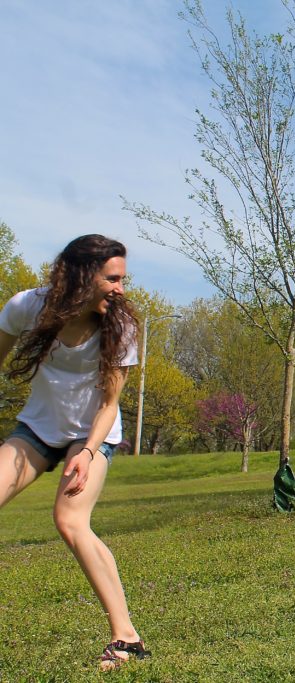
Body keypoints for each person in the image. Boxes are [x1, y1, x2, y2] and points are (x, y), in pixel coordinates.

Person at [0, 234, 150, 671]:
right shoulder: (27, 307)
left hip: (93, 434)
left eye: (123, 279)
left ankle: (127, 637)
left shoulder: (122, 326)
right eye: (113, 279)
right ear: (83, 276)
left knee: (69, 520)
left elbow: (108, 405)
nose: (121, 288)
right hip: (38, 429)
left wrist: (86, 452)